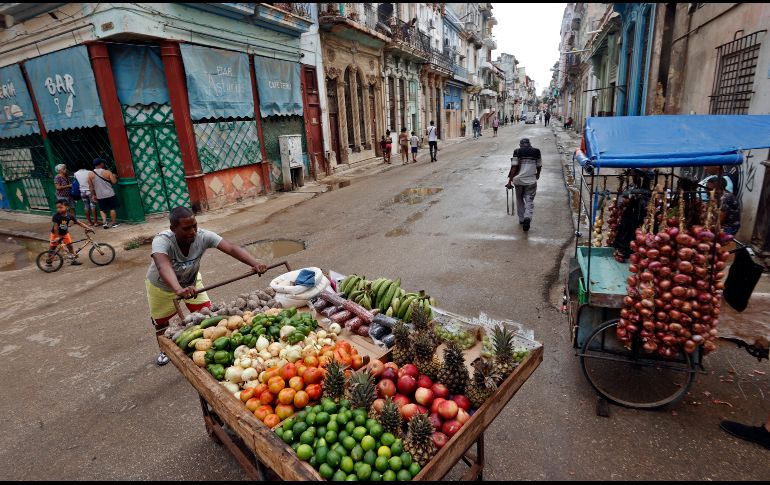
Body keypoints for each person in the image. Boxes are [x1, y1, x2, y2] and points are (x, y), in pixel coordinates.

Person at [146, 206, 268, 366]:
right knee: (162, 324)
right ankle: (164, 350)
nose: (192, 232)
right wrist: (178, 290)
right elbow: (163, 266)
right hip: (162, 286)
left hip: (191, 284)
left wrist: (255, 264)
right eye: (186, 228)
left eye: (194, 226)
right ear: (173, 228)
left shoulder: (203, 236)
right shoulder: (162, 240)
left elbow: (231, 248)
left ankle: (206, 347)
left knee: (207, 315)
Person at [506, 138, 542, 232]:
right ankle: (527, 217)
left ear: (520, 145)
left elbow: (514, 167)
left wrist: (510, 181)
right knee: (529, 200)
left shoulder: (517, 151)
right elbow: (539, 166)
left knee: (519, 199)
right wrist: (537, 175)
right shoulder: (536, 151)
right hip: (531, 181)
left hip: (518, 181)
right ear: (529, 144)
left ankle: (521, 219)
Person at [47, 199, 93, 267]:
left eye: (60, 207)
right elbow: (55, 228)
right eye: (57, 208)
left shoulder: (70, 215)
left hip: (65, 234)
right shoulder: (56, 216)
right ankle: (49, 261)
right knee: (52, 248)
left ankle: (73, 260)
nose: (58, 209)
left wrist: (88, 228)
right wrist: (57, 237)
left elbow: (79, 222)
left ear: (67, 207)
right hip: (55, 234)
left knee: (70, 246)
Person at [89, 158, 120, 229]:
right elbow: (114, 182)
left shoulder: (90, 174)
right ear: (101, 164)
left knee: (102, 209)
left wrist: (93, 195)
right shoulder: (107, 172)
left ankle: (104, 222)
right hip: (110, 193)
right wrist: (114, 176)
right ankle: (114, 223)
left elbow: (91, 187)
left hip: (100, 195)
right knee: (112, 208)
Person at [74, 161, 97, 226]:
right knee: (93, 205)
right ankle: (95, 222)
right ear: (84, 165)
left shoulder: (75, 173)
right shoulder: (89, 172)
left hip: (82, 191)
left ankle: (89, 222)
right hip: (90, 191)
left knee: (86, 206)